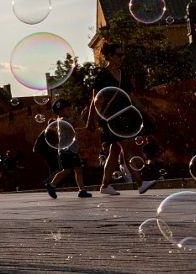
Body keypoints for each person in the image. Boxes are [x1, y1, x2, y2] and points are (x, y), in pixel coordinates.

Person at [86, 43, 157, 195]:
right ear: (110, 57)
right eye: (119, 55)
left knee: (115, 150)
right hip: (110, 119)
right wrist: (91, 120)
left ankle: (105, 185)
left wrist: (144, 111)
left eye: (122, 54)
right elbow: (95, 100)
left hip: (123, 116)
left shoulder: (123, 74)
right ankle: (140, 183)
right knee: (126, 146)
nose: (122, 57)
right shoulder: (102, 75)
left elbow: (131, 96)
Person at [39, 100, 92, 199]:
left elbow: (75, 130)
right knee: (68, 170)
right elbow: (75, 124)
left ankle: (82, 190)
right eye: (67, 109)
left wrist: (85, 129)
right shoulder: (63, 120)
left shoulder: (64, 121)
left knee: (78, 169)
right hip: (66, 151)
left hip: (71, 150)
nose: (70, 110)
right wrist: (83, 115)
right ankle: (52, 184)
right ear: (60, 112)